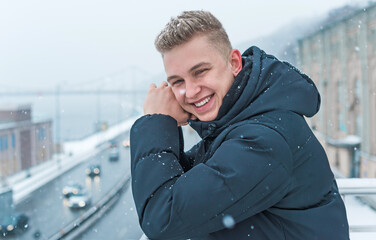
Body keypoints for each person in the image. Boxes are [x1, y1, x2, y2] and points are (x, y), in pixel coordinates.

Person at [130, 10, 349, 240]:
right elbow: (187, 183)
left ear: (234, 63)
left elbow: (162, 218)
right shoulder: (240, 120)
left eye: (201, 71)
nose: (191, 91)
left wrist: (157, 122)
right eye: (178, 82)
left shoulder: (263, 141)